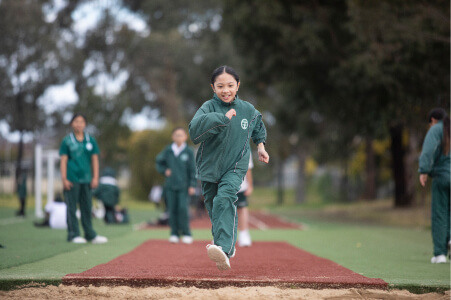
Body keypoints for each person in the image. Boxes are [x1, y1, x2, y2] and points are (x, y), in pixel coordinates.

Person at [189, 66, 269, 270]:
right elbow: (194, 131)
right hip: (208, 169)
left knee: (225, 198)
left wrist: (260, 146)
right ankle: (225, 247)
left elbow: (258, 125)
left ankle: (224, 249)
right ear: (213, 88)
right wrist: (221, 119)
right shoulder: (208, 107)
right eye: (220, 86)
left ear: (238, 85)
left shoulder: (247, 110)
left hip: (235, 167)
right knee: (216, 209)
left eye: (230, 85)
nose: (226, 90)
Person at [59, 113, 108, 244]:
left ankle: (90, 234)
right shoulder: (67, 141)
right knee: (72, 208)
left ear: (85, 124)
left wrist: (95, 177)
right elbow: (63, 160)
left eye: (81, 122)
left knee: (87, 207)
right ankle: (73, 234)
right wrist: (64, 179)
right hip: (72, 179)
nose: (79, 124)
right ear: (71, 124)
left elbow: (95, 159)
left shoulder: (90, 140)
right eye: (76, 121)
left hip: (87, 179)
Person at [418, 108, 450, 264]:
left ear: (432, 120)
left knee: (439, 214)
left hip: (442, 176)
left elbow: (428, 150)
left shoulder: (437, 129)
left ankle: (440, 254)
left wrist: (423, 170)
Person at [156, 127, 197, 244]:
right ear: (172, 137)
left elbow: (192, 170)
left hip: (184, 187)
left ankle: (186, 233)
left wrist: (192, 185)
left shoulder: (188, 151)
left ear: (185, 137)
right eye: (176, 135)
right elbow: (159, 162)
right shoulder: (168, 150)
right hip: (170, 186)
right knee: (172, 209)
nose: (178, 137)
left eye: (181, 135)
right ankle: (174, 233)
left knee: (183, 209)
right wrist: (164, 170)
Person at [237, 154, 254, 247]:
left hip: (241, 185)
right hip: (223, 184)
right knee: (222, 210)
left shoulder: (245, 147)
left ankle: (244, 234)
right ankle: (220, 237)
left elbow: (248, 168)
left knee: (242, 209)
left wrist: (250, 185)